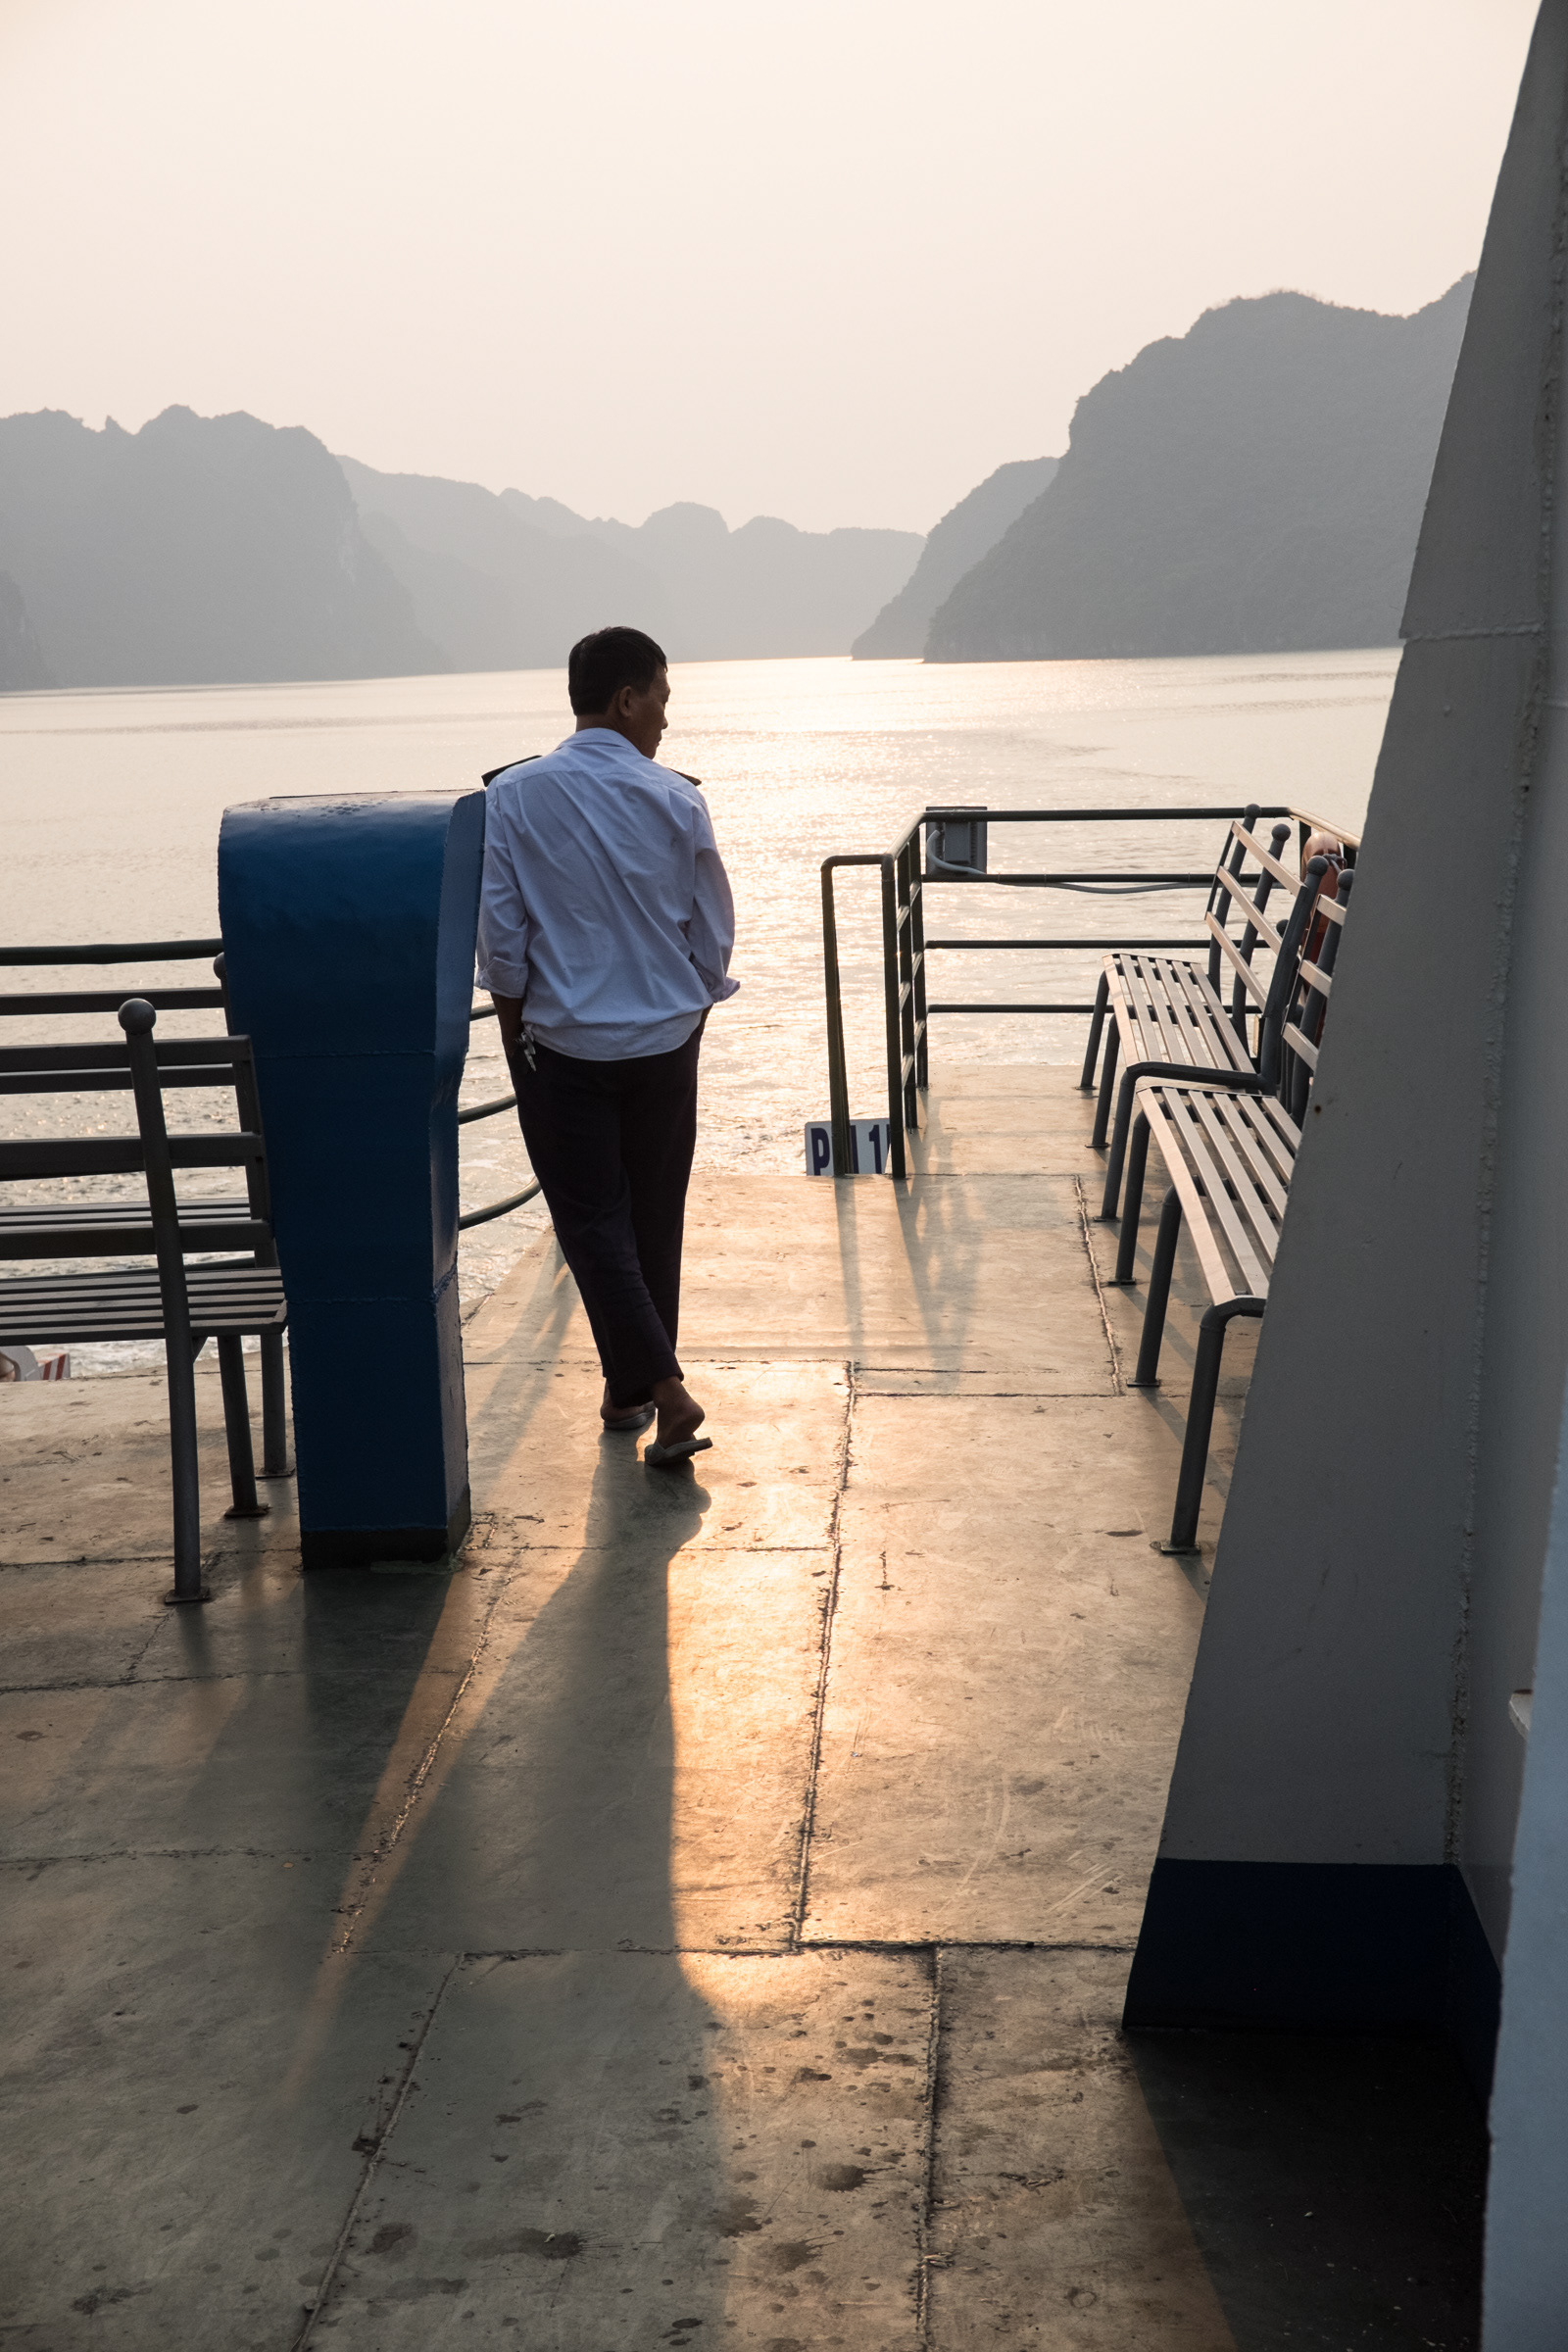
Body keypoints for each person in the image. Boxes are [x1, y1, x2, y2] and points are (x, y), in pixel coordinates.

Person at [476, 627, 738, 1465]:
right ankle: (642, 1394)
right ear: (627, 698)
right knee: (654, 1218)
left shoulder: (511, 798)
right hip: (665, 1041)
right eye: (661, 696)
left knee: (591, 1223)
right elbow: (712, 929)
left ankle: (654, 1387)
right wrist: (692, 1002)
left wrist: (516, 1029)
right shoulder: (676, 798)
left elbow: (502, 934)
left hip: (566, 1046)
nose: (666, 716)